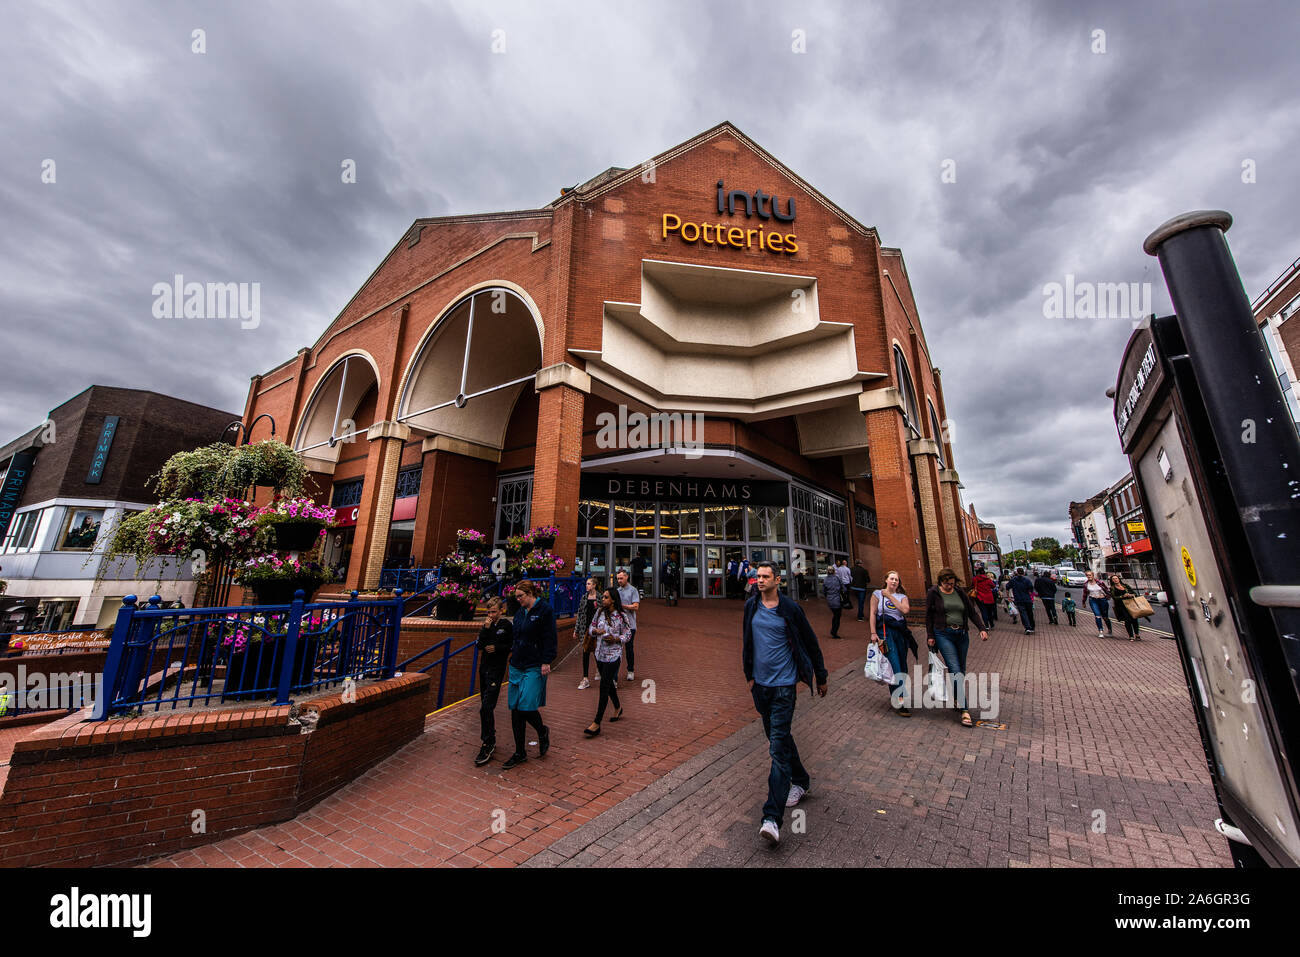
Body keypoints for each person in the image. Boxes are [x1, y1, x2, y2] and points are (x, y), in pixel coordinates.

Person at [742, 561, 828, 846]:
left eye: (766, 576)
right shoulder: (750, 607)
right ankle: (801, 780)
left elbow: (810, 641)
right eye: (758, 577)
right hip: (761, 688)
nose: (760, 580)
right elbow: (747, 643)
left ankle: (771, 819)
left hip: (784, 689)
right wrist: (749, 677)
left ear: (778, 580)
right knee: (779, 737)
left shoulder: (790, 609)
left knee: (777, 749)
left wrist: (821, 675)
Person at [924, 568, 989, 727]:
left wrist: (982, 628)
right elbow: (928, 616)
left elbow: (971, 612)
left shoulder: (959, 592)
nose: (949, 586)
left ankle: (956, 699)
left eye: (952, 583)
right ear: (940, 581)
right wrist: (930, 636)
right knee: (954, 668)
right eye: (946, 584)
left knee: (961, 669)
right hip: (943, 634)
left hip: (961, 635)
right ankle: (965, 710)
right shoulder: (933, 593)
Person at [502, 581, 556, 770]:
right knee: (515, 708)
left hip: (534, 664)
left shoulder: (544, 610)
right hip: (517, 664)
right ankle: (519, 752)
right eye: (516, 597)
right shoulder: (519, 613)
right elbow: (515, 637)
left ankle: (542, 731)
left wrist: (547, 660)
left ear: (530, 593)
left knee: (526, 706)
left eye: (520, 596)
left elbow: (550, 636)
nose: (517, 600)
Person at [584, 587, 632, 736]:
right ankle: (617, 707)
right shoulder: (599, 613)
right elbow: (590, 628)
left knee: (604, 686)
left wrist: (617, 639)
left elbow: (628, 634)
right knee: (609, 683)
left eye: (605, 597)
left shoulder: (621, 617)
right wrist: (596, 631)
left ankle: (596, 723)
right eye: (603, 597)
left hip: (613, 656)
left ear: (612, 600)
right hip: (599, 654)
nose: (602, 599)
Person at [869, 571, 916, 715]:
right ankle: (900, 700)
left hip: (900, 633)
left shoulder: (902, 597)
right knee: (894, 664)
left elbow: (904, 610)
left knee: (902, 666)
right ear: (886, 580)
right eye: (891, 579)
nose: (894, 581)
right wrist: (873, 633)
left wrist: (889, 596)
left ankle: (898, 696)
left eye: (896, 580)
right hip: (885, 632)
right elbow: (872, 613)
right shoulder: (877, 594)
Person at [474, 597, 513, 766]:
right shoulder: (486, 626)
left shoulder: (506, 626)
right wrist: (486, 629)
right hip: (484, 670)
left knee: (486, 707)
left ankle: (488, 741)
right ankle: (489, 737)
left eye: (494, 612)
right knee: (485, 705)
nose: (491, 615)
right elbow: (479, 645)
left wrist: (497, 648)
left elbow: (510, 645)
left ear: (501, 611)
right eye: (488, 612)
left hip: (496, 671)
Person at [614, 569, 641, 681]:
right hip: (618, 625)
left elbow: (636, 606)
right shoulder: (617, 590)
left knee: (629, 648)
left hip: (630, 625)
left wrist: (622, 606)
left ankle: (630, 670)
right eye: (618, 579)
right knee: (616, 649)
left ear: (627, 577)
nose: (619, 580)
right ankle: (614, 675)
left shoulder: (633, 590)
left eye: (621, 578)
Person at [574, 577, 600, 690]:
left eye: (589, 584)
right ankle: (585, 678)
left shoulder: (600, 597)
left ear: (594, 585)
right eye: (586, 584)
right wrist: (576, 630)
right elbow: (580, 614)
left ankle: (600, 671)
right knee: (585, 652)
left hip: (597, 630)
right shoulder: (584, 598)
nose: (587, 586)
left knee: (597, 653)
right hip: (585, 629)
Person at [1109, 574, 1143, 641]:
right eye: (1113, 579)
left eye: (1116, 578)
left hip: (1131, 604)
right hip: (1121, 606)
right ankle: (1131, 636)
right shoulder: (1112, 588)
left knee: (1134, 619)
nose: (1115, 580)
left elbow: (1135, 593)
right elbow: (1114, 597)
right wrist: (1122, 596)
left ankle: (1137, 634)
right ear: (1112, 581)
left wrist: (1131, 595)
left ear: (1119, 579)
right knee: (1127, 620)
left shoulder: (1126, 586)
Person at [1082, 570, 1113, 638]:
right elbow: (1085, 594)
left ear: (1093, 575)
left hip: (1102, 600)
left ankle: (1110, 630)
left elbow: (1107, 590)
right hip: (1093, 600)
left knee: (1105, 617)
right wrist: (1083, 602)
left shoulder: (1100, 582)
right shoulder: (1086, 584)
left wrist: (1108, 597)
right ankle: (1100, 631)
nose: (1089, 576)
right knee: (1097, 615)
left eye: (1090, 575)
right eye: (1087, 575)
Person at [1007, 567, 1037, 635]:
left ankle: (1027, 627)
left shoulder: (1013, 580)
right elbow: (1031, 589)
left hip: (1019, 600)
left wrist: (1008, 596)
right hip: (1027, 599)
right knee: (1030, 613)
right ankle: (1032, 627)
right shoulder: (1027, 580)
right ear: (1023, 572)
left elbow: (1007, 587)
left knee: (1023, 614)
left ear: (1017, 572)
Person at [823, 564, 845, 639]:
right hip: (837, 599)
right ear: (834, 571)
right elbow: (843, 588)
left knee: (835, 615)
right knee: (837, 616)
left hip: (830, 599)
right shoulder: (837, 578)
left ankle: (833, 630)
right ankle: (834, 632)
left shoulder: (825, 579)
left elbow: (824, 591)